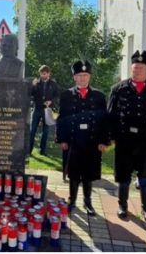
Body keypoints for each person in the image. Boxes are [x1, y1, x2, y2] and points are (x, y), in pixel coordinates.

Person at [108, 51, 146, 223]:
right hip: (124, 140)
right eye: (135, 68)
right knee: (123, 175)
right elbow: (110, 116)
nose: (137, 71)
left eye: (141, 68)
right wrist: (109, 136)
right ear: (131, 68)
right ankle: (122, 206)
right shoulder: (118, 89)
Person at [56, 61, 108, 216]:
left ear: (89, 76)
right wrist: (62, 139)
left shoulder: (99, 96)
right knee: (73, 172)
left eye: (85, 75)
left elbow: (104, 120)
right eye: (79, 75)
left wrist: (103, 141)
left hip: (92, 141)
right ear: (74, 77)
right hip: (73, 140)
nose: (83, 78)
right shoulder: (66, 95)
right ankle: (72, 200)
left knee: (88, 173)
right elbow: (62, 118)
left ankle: (88, 201)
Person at [28, 65, 59, 156]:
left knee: (46, 131)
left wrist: (51, 101)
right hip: (37, 109)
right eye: (41, 74)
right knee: (32, 130)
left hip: (47, 110)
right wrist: (32, 86)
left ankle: (42, 151)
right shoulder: (36, 82)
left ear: (48, 74)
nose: (42, 75)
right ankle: (29, 150)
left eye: (44, 74)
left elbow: (57, 96)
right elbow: (30, 94)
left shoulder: (53, 84)